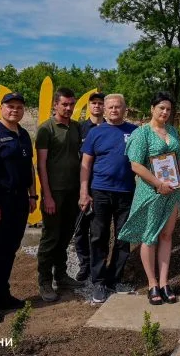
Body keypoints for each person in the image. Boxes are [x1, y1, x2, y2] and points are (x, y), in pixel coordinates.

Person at [118, 92, 180, 306]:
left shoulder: (173, 131)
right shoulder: (142, 134)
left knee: (166, 236)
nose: (165, 112)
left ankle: (165, 282)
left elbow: (179, 162)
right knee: (149, 237)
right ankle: (152, 284)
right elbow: (135, 165)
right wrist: (158, 184)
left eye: (168, 109)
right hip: (152, 192)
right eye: (161, 108)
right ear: (152, 109)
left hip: (172, 192)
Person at [0, 93, 37, 324]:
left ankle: (3, 295)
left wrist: (33, 194)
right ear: (1, 108)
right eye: (10, 106)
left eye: (19, 107)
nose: (15, 110)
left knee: (9, 249)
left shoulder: (22, 134)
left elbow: (29, 166)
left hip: (19, 201)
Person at [79, 94, 137, 304]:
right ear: (104, 110)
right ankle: (99, 281)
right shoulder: (96, 133)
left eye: (118, 107)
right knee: (99, 236)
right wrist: (84, 192)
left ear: (125, 109)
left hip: (126, 192)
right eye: (110, 107)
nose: (114, 110)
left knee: (123, 237)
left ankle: (115, 279)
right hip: (100, 191)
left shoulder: (134, 132)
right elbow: (85, 165)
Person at [36, 87, 83, 302]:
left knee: (65, 236)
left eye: (71, 104)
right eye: (64, 104)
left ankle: (61, 275)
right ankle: (44, 281)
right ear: (55, 105)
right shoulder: (46, 129)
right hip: (54, 192)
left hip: (73, 191)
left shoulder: (76, 128)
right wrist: (47, 195)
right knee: (50, 238)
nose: (68, 108)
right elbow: (41, 164)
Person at [74, 92, 106, 282]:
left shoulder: (110, 128)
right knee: (80, 228)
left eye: (100, 103)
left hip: (103, 186)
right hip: (83, 185)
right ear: (88, 106)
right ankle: (84, 264)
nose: (97, 106)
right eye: (93, 103)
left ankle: (97, 265)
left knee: (99, 229)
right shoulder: (80, 129)